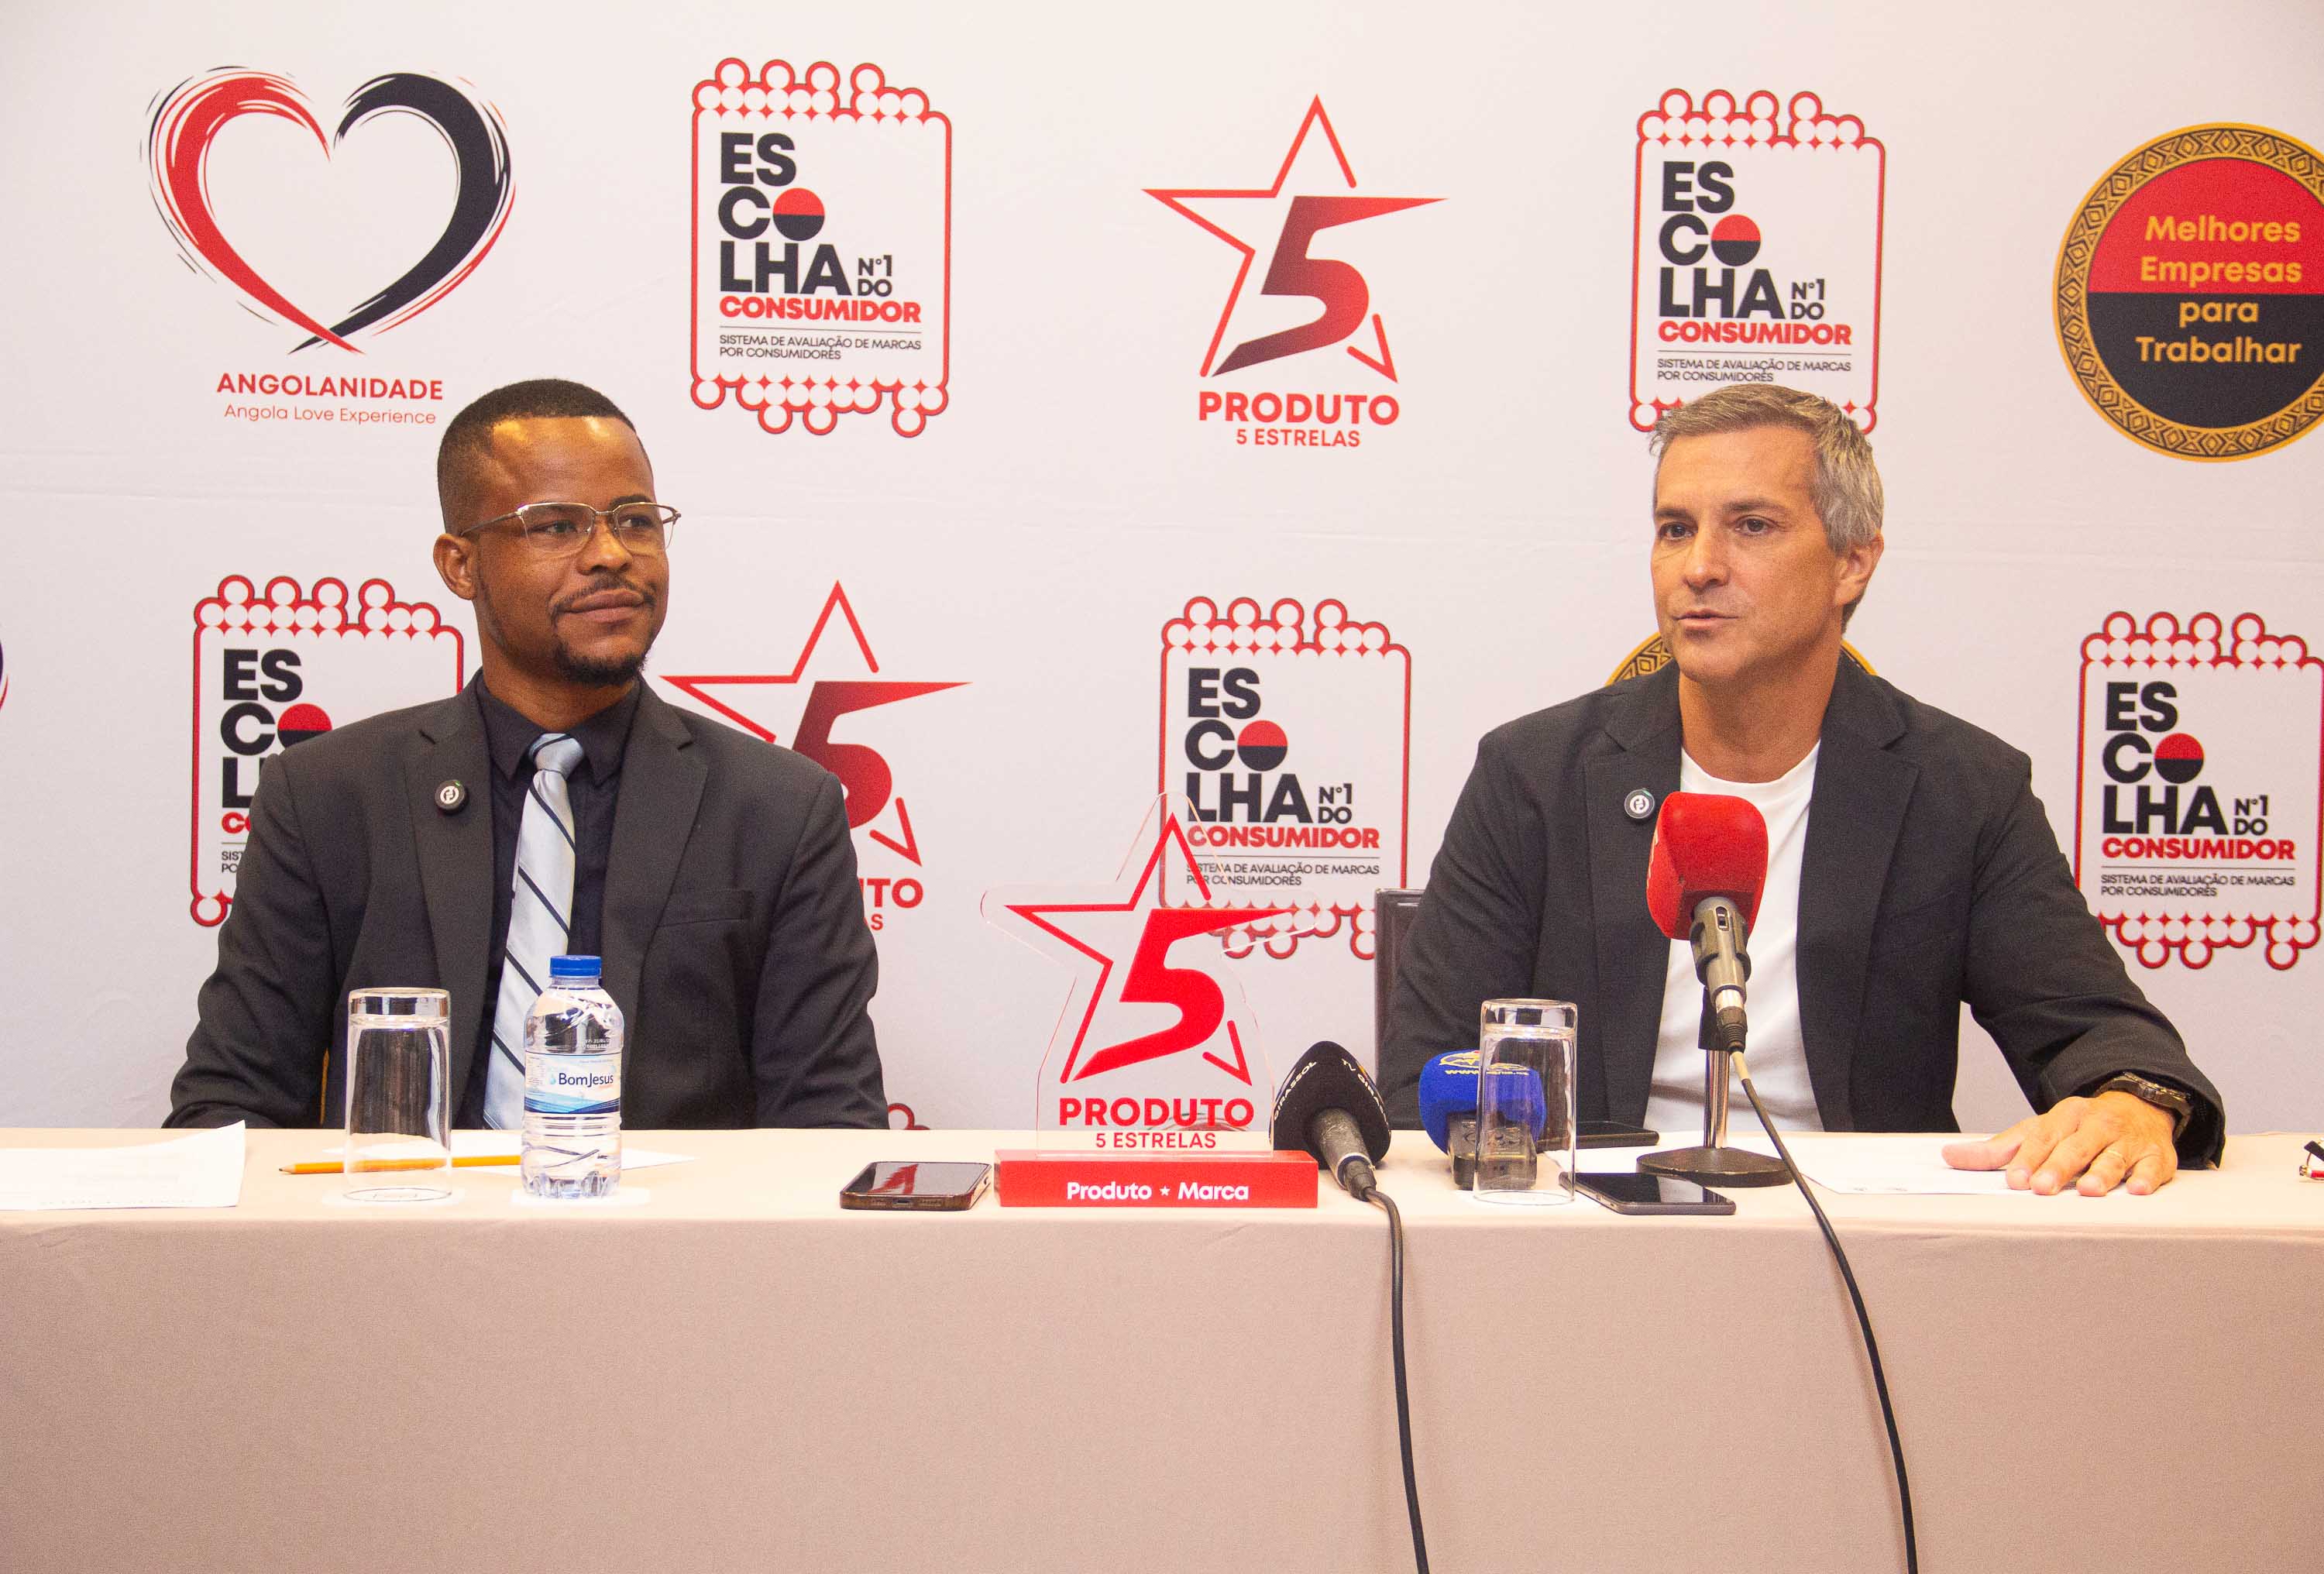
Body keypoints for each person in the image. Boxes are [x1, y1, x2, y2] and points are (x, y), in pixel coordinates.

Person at [1384, 383, 2223, 1194]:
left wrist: (2130, 1102)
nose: (1699, 567)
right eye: (1675, 529)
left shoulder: (1961, 789)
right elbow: (1424, 1072)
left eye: (1751, 526)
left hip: (1863, 1242)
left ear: (1852, 562)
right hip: (1589, 1223)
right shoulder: (1534, 774)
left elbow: (2099, 1031)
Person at [168, 379, 886, 1129]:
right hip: (408, 1204)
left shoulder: (779, 808)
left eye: (635, 520)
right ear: (460, 565)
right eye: (556, 526)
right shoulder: (325, 797)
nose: (611, 554)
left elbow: (830, 1125)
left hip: (668, 1210)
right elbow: (229, 1111)